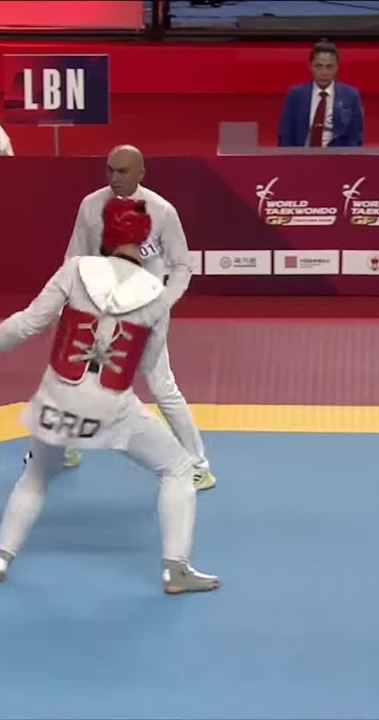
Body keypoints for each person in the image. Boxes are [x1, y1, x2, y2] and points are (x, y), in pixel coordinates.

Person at [0, 197, 219, 595]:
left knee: (36, 475)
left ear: (104, 233)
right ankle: (176, 569)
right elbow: (149, 365)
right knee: (179, 469)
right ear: (144, 241)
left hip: (57, 396)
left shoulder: (75, 270)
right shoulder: (156, 294)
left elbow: (28, 323)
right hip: (111, 405)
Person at [56, 144, 216, 491]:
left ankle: (198, 466)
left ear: (141, 173)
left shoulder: (162, 211)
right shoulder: (90, 206)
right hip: (100, 310)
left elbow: (183, 265)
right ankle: (65, 449)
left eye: (123, 171)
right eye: (110, 170)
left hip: (146, 314)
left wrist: (163, 303)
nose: (114, 177)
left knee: (161, 386)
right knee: (76, 378)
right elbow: (74, 258)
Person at [277, 40, 365, 148]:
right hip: (302, 155)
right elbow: (285, 136)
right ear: (310, 66)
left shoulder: (351, 96)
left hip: (338, 156)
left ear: (337, 67)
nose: (324, 73)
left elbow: (356, 137)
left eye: (329, 67)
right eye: (319, 66)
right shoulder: (295, 95)